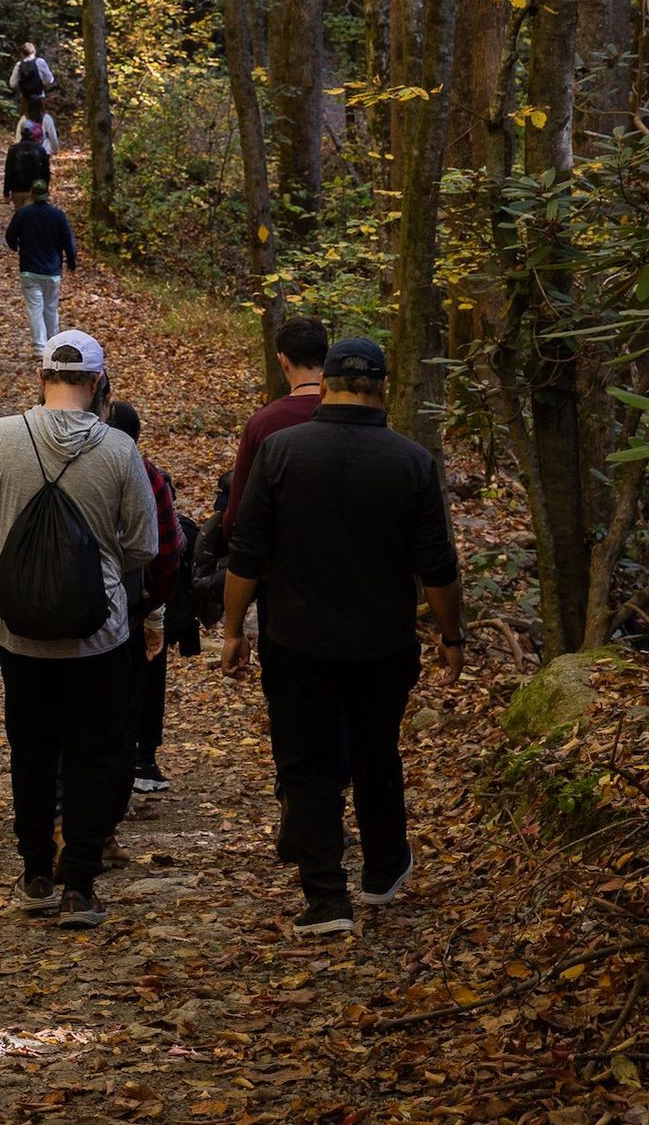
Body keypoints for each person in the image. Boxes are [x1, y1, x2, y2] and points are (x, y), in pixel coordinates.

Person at [222, 337, 464, 938]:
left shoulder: (280, 451)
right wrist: (451, 636)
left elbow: (246, 554)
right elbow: (437, 564)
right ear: (383, 387)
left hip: (297, 638)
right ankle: (383, 871)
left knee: (307, 763)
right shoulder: (410, 462)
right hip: (383, 642)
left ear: (324, 383)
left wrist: (232, 630)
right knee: (377, 749)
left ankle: (327, 899)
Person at [0, 331, 158, 929]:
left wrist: (22, 578)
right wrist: (94, 573)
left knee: (32, 747)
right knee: (95, 751)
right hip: (98, 634)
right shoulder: (120, 450)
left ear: (40, 375)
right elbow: (142, 543)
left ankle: (35, 873)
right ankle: (79, 884)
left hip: (19, 632)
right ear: (99, 383)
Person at [106, 400, 183, 814]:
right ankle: (141, 759)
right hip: (136, 600)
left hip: (88, 602)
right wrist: (156, 603)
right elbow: (167, 549)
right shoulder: (148, 474)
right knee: (141, 682)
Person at [222, 315, 329, 545]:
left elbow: (239, 511)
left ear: (283, 361)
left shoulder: (262, 423)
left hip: (277, 563)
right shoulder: (349, 418)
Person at [5, 180, 76, 357]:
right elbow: (68, 241)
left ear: (32, 194)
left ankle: (39, 347)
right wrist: (71, 262)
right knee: (51, 307)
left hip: (29, 269)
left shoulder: (23, 214)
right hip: (52, 270)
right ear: (47, 194)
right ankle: (54, 344)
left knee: (35, 308)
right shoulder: (58, 215)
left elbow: (10, 236)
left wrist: (18, 248)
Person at [4, 129, 50, 213]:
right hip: (34, 189)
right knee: (31, 215)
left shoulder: (13, 149)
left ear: (21, 135)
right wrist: (45, 189)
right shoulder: (40, 150)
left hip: (17, 190)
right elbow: (46, 172)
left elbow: (9, 172)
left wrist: (6, 193)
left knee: (19, 215)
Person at [10, 41, 54, 110]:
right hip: (39, 97)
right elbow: (50, 79)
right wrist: (43, 83)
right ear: (34, 51)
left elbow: (12, 84)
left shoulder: (19, 65)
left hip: (25, 98)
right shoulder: (40, 62)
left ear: (22, 53)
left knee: (25, 118)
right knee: (40, 118)